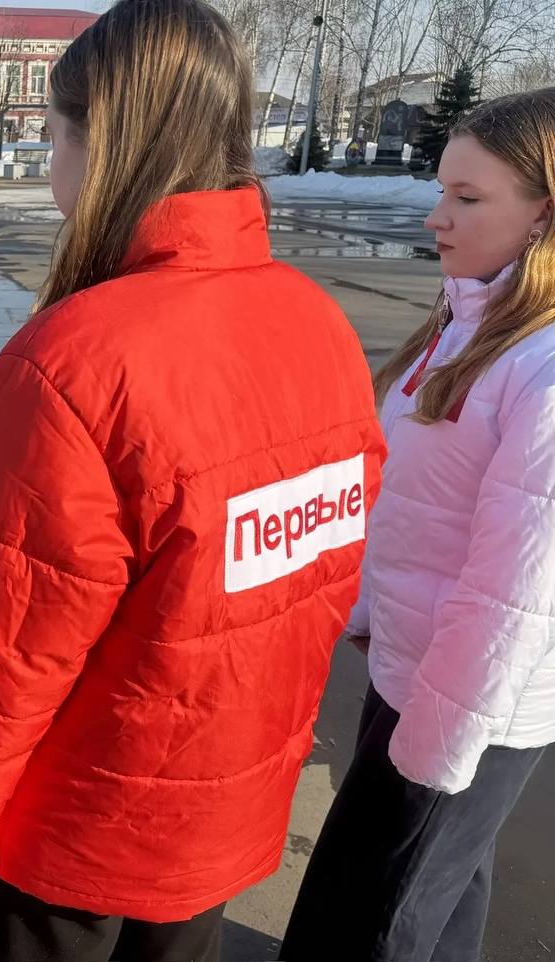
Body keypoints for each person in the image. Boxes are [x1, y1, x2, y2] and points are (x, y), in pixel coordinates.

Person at [0, 1, 386, 959]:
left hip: (67, 851)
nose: (51, 164)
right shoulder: (320, 331)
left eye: (53, 137)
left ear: (98, 143)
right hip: (215, 833)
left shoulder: (74, 364)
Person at [280, 88, 555, 962]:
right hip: (419, 670)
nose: (437, 218)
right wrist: (371, 610)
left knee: (368, 919)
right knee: (443, 892)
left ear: (546, 214)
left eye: (468, 199)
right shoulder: (475, 322)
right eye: (443, 191)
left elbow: (515, 598)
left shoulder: (543, 373)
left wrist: (431, 755)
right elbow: (412, 500)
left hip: (464, 707)